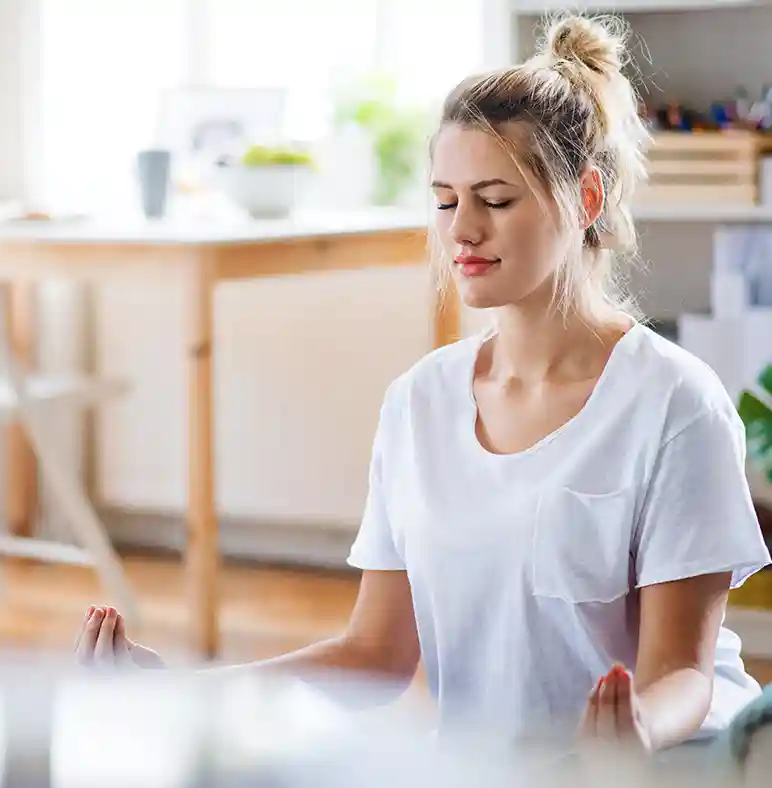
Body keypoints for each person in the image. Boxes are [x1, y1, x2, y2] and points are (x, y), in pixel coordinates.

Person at [76, 14, 771, 758]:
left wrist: (631, 729)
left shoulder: (675, 404)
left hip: (667, 763)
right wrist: (187, 690)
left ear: (588, 200)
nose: (461, 230)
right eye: (446, 200)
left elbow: (682, 677)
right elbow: (375, 654)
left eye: (495, 200)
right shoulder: (419, 403)